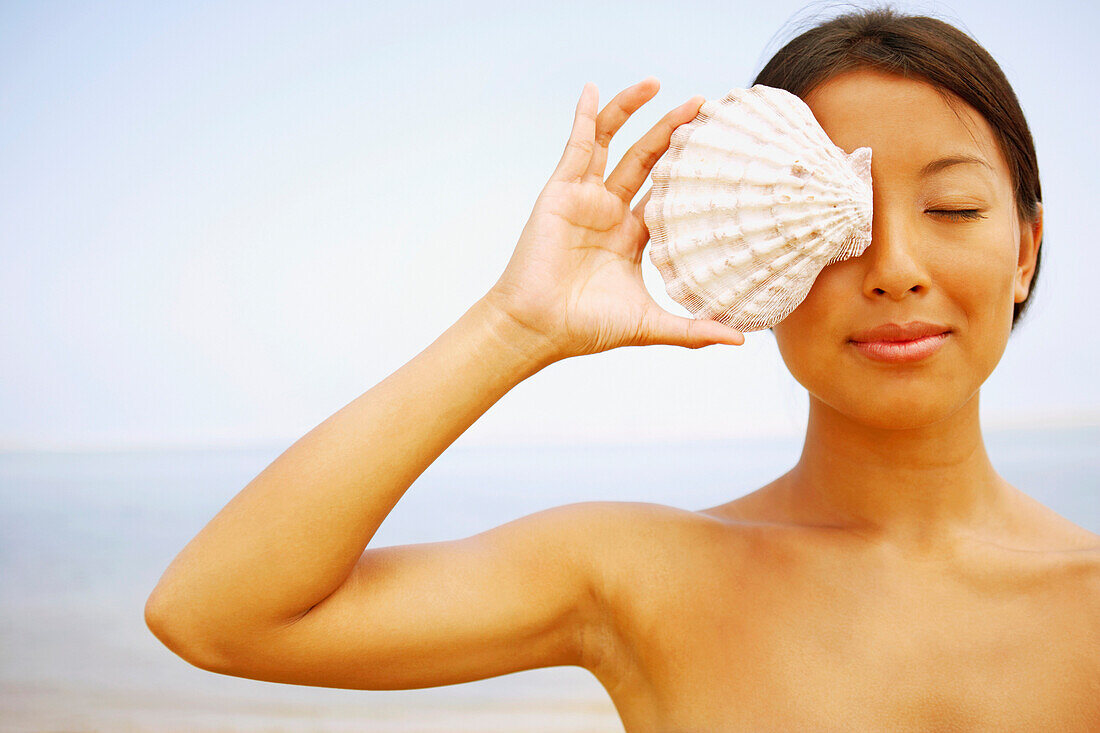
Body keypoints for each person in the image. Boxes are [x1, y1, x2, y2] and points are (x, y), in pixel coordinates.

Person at [145, 5, 1099, 730]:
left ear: (1025, 249)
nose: (892, 266)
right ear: (754, 247)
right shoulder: (641, 576)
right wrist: (516, 325)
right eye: (828, 214)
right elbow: (216, 614)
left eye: (954, 210)